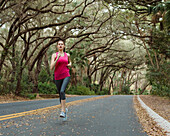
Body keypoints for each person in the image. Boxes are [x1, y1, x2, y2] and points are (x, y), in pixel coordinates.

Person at [50, 40, 71, 119]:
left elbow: (70, 62)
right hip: (57, 76)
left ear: (64, 46)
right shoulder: (54, 55)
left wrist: (70, 64)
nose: (60, 45)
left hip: (66, 74)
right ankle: (64, 110)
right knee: (60, 94)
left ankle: (62, 111)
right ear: (57, 46)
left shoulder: (67, 55)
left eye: (62, 44)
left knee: (62, 91)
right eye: (59, 44)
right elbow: (51, 67)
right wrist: (57, 58)